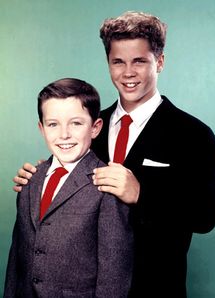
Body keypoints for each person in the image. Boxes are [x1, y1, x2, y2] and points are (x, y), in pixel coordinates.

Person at [12, 11, 215, 298]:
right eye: (118, 62)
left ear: (159, 62)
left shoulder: (193, 134)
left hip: (155, 287)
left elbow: (206, 215)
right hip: (90, 289)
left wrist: (141, 194)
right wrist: (41, 179)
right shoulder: (90, 125)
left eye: (139, 61)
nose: (128, 73)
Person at [5, 78, 133, 298]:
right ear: (42, 129)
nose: (64, 134)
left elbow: (114, 275)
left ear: (95, 128)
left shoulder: (106, 186)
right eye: (53, 124)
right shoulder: (30, 182)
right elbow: (16, 259)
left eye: (76, 123)